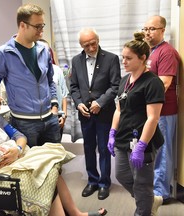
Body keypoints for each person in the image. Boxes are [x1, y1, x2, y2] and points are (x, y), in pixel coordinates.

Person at [0, 80, 107, 216]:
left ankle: (75, 213)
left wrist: (16, 150)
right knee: (45, 179)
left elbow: (21, 137)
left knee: (50, 167)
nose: (0, 98)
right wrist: (12, 158)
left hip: (13, 164)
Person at [0, 3, 61, 147]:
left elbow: (50, 80)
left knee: (55, 164)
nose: (41, 31)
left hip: (49, 119)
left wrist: (54, 105)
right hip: (24, 123)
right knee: (30, 167)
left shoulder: (44, 49)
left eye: (42, 26)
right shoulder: (4, 53)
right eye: (37, 27)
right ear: (22, 25)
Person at [107, 32, 165, 216]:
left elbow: (153, 118)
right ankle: (149, 200)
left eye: (128, 58)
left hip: (143, 142)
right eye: (123, 57)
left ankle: (144, 211)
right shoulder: (125, 79)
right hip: (124, 139)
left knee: (142, 183)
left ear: (143, 58)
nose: (124, 62)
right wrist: (112, 132)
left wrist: (141, 146)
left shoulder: (152, 83)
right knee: (122, 176)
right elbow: (119, 109)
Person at [70, 27, 121, 200]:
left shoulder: (111, 59)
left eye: (93, 43)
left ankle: (104, 183)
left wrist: (100, 102)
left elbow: (115, 86)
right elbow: (74, 87)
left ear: (98, 40)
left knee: (104, 149)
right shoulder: (76, 60)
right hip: (85, 114)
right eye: (86, 46)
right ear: (81, 45)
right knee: (88, 148)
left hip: (105, 112)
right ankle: (92, 180)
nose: (91, 48)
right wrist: (78, 104)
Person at [142, 15, 181, 211]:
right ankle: (156, 188)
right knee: (155, 151)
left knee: (163, 151)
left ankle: (162, 193)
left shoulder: (166, 52)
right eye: (145, 29)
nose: (147, 32)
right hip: (152, 111)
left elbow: (164, 84)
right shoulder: (150, 52)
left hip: (164, 111)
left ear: (162, 30)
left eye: (152, 29)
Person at [38, 38, 69, 137]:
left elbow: (64, 94)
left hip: (57, 115)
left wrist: (64, 115)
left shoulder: (57, 70)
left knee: (55, 148)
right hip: (39, 117)